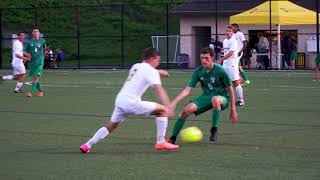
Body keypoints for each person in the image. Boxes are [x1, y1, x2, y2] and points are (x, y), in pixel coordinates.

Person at [80, 47, 179, 153]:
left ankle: (87, 145)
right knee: (162, 110)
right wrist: (169, 107)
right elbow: (159, 90)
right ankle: (160, 142)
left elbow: (146, 71)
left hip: (120, 101)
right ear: (152, 58)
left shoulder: (136, 66)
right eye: (157, 61)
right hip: (131, 103)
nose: (158, 63)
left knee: (111, 125)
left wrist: (159, 72)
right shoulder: (151, 71)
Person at [167, 47, 238, 144]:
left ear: (212, 58)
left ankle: (214, 129)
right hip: (206, 97)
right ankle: (172, 138)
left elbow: (230, 89)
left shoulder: (220, 70)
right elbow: (187, 90)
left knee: (215, 99)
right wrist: (174, 102)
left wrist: (233, 109)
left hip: (222, 98)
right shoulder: (198, 71)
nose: (204, 61)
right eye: (202, 58)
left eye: (206, 58)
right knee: (185, 111)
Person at [217, 25, 245, 106]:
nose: (228, 32)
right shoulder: (225, 40)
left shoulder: (234, 41)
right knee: (225, 82)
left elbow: (231, 53)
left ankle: (241, 100)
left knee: (235, 83)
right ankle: (225, 99)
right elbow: (226, 52)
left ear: (233, 33)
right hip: (226, 64)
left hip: (232, 64)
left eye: (230, 31)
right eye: (227, 31)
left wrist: (221, 60)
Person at [24, 27, 46, 97]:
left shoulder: (43, 41)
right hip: (32, 63)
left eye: (37, 31)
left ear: (39, 33)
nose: (36, 32)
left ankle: (30, 92)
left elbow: (45, 49)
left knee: (36, 77)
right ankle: (40, 91)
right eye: (34, 31)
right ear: (32, 33)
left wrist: (43, 58)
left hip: (40, 62)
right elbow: (24, 51)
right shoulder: (28, 42)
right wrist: (27, 55)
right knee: (35, 77)